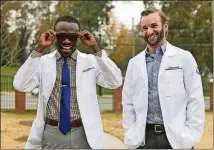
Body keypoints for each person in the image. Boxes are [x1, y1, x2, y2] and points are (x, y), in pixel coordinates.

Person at [13, 15, 122, 149]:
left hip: (84, 134)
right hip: (52, 134)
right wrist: (39, 49)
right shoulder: (43, 62)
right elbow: (20, 85)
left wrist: (96, 49)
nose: (66, 40)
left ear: (78, 37)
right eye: (61, 36)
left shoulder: (90, 62)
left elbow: (115, 82)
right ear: (54, 36)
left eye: (71, 37)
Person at [122, 8, 205, 149]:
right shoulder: (134, 63)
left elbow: (195, 99)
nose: (149, 31)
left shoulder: (184, 58)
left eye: (154, 26)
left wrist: (190, 136)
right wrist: (130, 132)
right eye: (145, 28)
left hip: (176, 139)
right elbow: (128, 102)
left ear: (165, 26)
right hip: (143, 140)